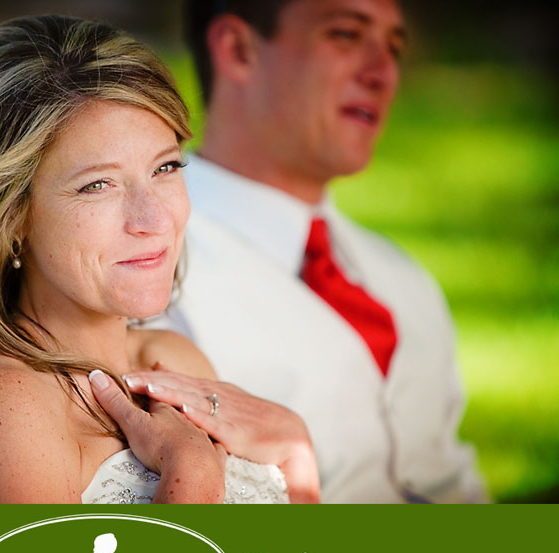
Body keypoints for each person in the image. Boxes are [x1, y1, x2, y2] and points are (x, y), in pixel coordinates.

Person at [0, 15, 319, 504]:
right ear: (11, 217)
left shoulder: (172, 358)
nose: (154, 219)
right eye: (98, 185)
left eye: (165, 167)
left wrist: (296, 455)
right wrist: (191, 474)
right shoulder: (0, 406)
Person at [135, 0, 487, 502]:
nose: (383, 73)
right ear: (238, 50)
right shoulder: (143, 273)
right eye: (346, 34)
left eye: (394, 47)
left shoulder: (405, 278)